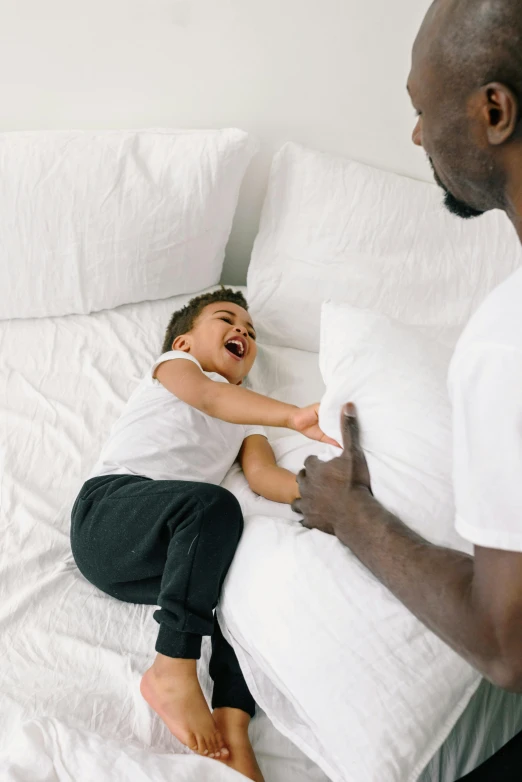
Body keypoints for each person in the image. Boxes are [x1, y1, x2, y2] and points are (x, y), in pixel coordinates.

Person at [293, 0, 522, 778]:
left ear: (494, 111)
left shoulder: (504, 342)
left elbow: (505, 644)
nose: (419, 134)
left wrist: (350, 514)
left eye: (423, 108)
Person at [70, 288, 335, 782]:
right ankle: (171, 667)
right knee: (214, 506)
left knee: (240, 595)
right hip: (108, 517)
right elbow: (212, 397)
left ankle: (234, 724)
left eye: (251, 333)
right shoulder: (176, 369)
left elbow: (262, 477)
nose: (243, 332)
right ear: (185, 342)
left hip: (162, 559)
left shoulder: (245, 421)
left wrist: (330, 499)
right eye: (227, 320)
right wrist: (291, 415)